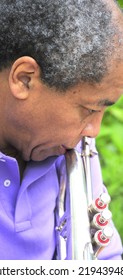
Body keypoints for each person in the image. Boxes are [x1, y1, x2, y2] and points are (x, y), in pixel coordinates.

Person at [0, 0, 123, 260]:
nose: (94, 131)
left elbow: (107, 260)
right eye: (89, 109)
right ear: (24, 79)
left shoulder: (67, 149)